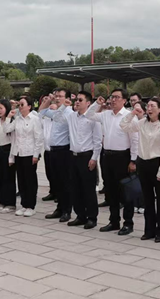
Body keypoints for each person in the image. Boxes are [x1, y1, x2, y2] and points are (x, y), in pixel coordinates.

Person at [43, 91, 102, 229]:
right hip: (73, 156)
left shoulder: (93, 119)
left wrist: (94, 158)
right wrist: (64, 106)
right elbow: (57, 117)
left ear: (88, 103)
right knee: (75, 188)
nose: (77, 102)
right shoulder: (71, 116)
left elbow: (98, 141)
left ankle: (92, 217)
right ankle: (80, 216)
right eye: (77, 100)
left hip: (87, 156)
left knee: (88, 189)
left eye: (81, 100)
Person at [86, 89, 139, 235]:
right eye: (112, 97)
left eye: (117, 97)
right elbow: (89, 115)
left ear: (124, 100)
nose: (113, 100)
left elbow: (135, 140)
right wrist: (97, 104)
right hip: (107, 156)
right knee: (111, 190)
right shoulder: (105, 114)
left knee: (125, 192)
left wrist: (133, 160)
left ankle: (128, 223)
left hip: (123, 157)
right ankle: (114, 221)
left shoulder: (129, 116)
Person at [121, 97, 160, 242]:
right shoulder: (142, 123)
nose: (149, 109)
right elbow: (124, 125)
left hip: (157, 163)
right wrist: (132, 113)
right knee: (147, 198)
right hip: (143, 163)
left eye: (153, 106)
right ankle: (149, 230)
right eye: (148, 106)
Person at [4, 97, 44, 216]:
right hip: (19, 153)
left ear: (29, 106)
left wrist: (36, 154)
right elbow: (6, 129)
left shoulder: (34, 119)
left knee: (30, 181)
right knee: (21, 180)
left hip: (30, 154)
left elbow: (39, 138)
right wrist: (8, 117)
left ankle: (31, 206)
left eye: (22, 104)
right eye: (19, 105)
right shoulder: (17, 119)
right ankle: (24, 205)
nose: (20, 107)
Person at [40, 89, 73, 222]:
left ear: (68, 99)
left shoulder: (69, 113)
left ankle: (67, 210)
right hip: (53, 150)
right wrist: (48, 100)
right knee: (57, 181)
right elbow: (42, 111)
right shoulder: (57, 112)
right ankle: (59, 208)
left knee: (65, 182)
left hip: (64, 150)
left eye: (61, 96)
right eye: (57, 96)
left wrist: (63, 106)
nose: (57, 98)